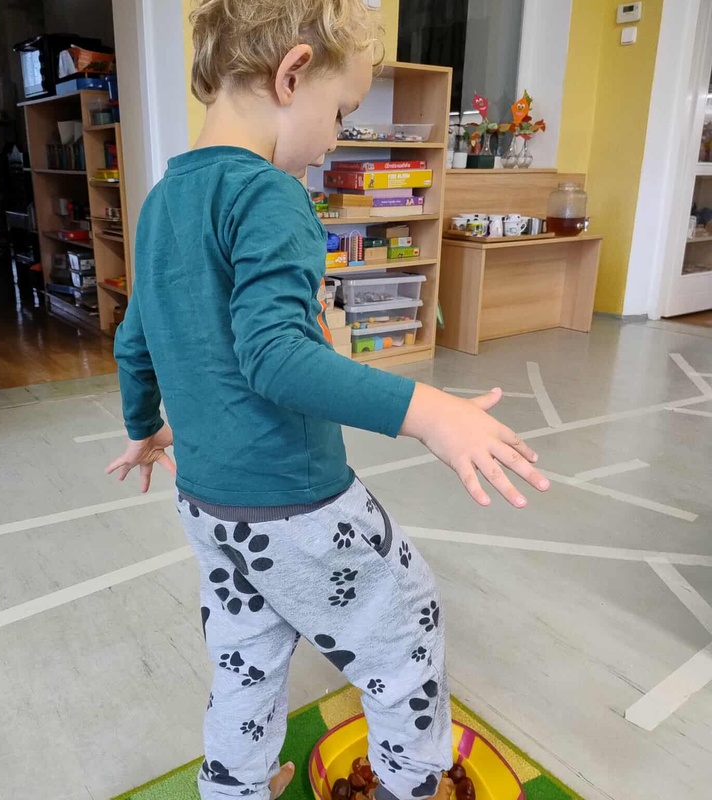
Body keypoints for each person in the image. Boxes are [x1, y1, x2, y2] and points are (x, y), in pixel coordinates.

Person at [106, 1, 550, 798]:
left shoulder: (162, 200)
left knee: (247, 652)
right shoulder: (270, 194)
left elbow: (135, 341)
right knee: (405, 622)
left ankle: (234, 786)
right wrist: (430, 412)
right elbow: (276, 357)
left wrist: (145, 428)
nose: (337, 139)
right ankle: (410, 786)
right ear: (292, 75)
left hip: (208, 505)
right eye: (341, 111)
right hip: (295, 504)